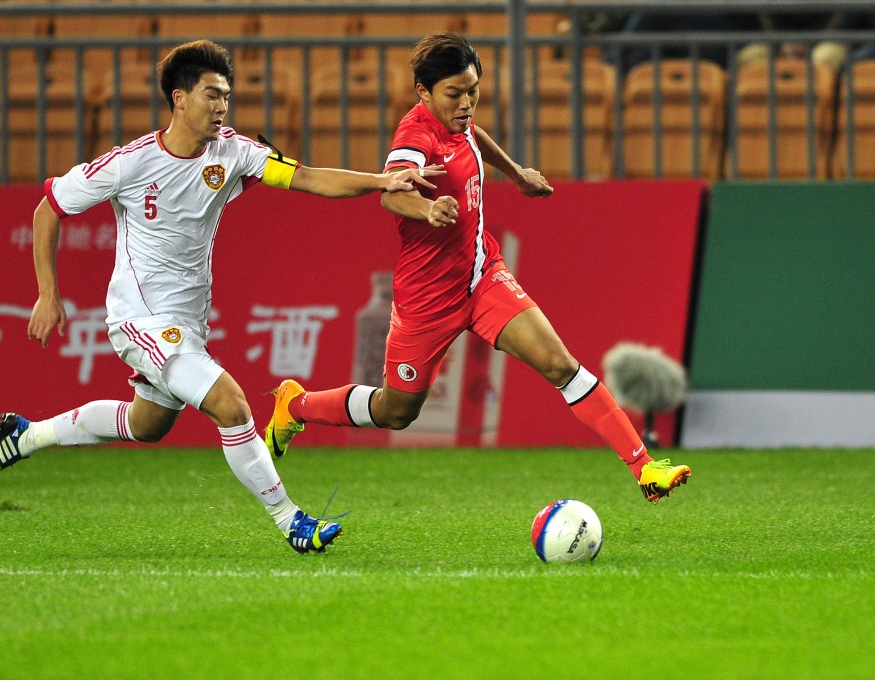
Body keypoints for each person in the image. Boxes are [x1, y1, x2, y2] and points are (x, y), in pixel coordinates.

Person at [0, 39, 442, 554]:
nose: (222, 106)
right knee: (233, 405)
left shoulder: (234, 152)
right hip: (141, 320)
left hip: (187, 322)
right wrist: (48, 294)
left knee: (145, 424)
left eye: (227, 96)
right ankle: (293, 522)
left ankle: (25, 436)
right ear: (179, 98)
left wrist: (382, 181)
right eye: (212, 95)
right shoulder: (129, 164)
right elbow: (49, 209)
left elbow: (305, 177)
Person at [266, 32, 691, 504]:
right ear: (423, 93)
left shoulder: (459, 119)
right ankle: (296, 405)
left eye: (473, 90)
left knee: (560, 364)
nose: (467, 102)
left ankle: (644, 467)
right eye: (455, 93)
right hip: (427, 299)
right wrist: (426, 210)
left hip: (483, 275)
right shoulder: (414, 136)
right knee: (396, 411)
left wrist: (516, 171)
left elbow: (474, 135)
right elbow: (393, 191)